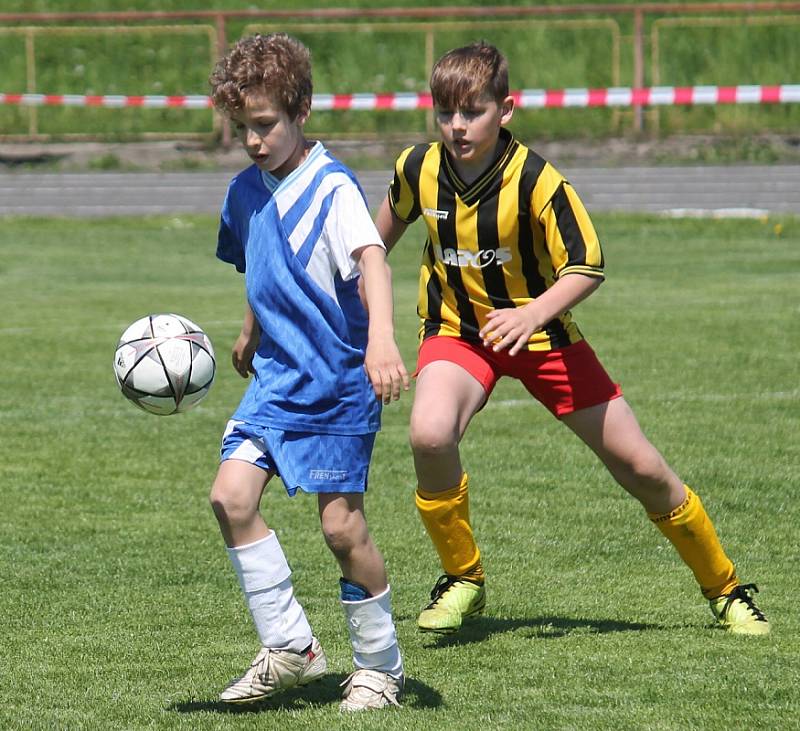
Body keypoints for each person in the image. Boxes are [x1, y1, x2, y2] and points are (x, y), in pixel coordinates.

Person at [374, 41, 769, 637]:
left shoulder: (537, 180)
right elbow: (371, 246)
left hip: (544, 336)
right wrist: (373, 332)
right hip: (458, 333)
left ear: (506, 109)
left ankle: (726, 588)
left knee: (640, 467)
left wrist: (532, 314)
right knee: (429, 435)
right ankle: (463, 579)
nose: (457, 126)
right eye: (445, 111)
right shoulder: (417, 169)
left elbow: (586, 265)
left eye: (473, 111)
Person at [207, 33, 409, 711]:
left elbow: (372, 260)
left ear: (303, 112)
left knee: (341, 529)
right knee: (230, 498)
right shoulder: (242, 192)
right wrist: (248, 331)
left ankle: (380, 665)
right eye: (244, 129)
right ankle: (292, 645)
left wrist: (381, 340)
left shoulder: (332, 187)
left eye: (266, 125)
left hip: (337, 383)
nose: (255, 142)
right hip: (274, 381)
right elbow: (265, 270)